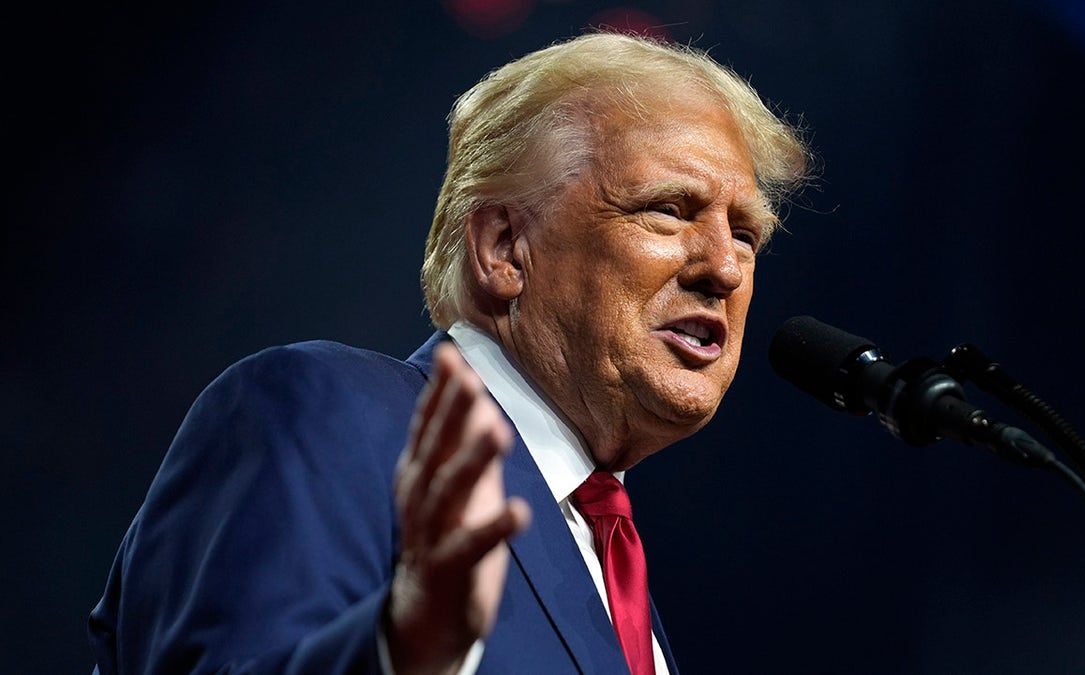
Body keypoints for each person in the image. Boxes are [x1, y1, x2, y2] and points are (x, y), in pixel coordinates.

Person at [88, 32, 811, 674]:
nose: (725, 266)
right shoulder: (328, 412)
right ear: (503, 248)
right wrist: (400, 654)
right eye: (669, 209)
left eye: (746, 233)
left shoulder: (613, 564)